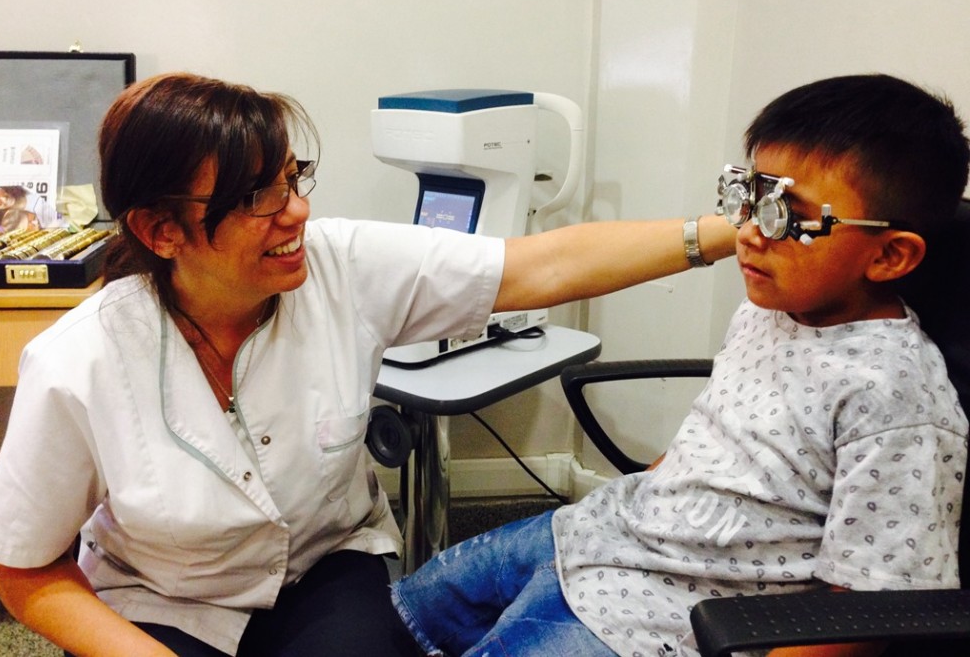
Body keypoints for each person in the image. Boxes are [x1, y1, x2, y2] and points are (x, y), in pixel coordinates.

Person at [0, 72, 737, 657]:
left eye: (294, 177)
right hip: (161, 598)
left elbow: (538, 268)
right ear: (162, 230)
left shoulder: (339, 266)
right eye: (259, 196)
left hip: (323, 567)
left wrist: (725, 233)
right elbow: (25, 572)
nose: (296, 213)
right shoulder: (77, 363)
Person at [389, 73, 970, 657]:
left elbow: (866, 612)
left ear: (890, 254)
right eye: (750, 196)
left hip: (667, 615)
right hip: (606, 531)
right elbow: (718, 428)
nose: (747, 231)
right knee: (398, 618)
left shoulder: (896, 398)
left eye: (785, 215)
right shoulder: (772, 309)